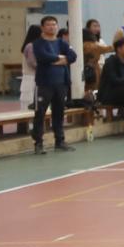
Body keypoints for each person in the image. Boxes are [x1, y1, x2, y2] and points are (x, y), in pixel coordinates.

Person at [28, 16, 77, 155]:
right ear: (42, 27)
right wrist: (61, 58)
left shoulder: (62, 42)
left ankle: (59, 141)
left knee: (59, 112)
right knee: (40, 113)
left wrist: (56, 60)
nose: (52, 27)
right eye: (48, 24)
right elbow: (43, 57)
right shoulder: (37, 43)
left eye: (54, 24)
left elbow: (73, 56)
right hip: (44, 83)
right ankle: (38, 143)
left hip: (61, 83)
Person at [81, 19, 108, 101]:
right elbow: (106, 49)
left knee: (98, 88)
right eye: (94, 26)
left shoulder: (100, 40)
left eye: (98, 26)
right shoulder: (87, 44)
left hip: (100, 66)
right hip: (90, 68)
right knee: (91, 87)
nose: (97, 28)